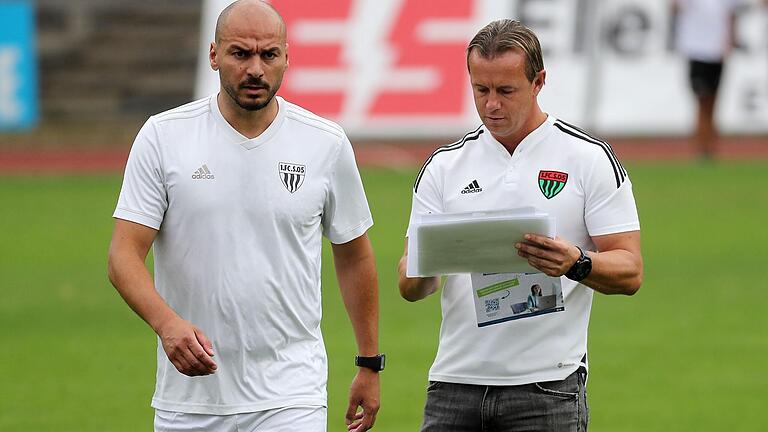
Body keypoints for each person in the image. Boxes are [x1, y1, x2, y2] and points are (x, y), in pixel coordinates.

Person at [107, 1, 382, 431]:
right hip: (189, 400)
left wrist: (369, 361)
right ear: (214, 55)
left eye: (269, 55)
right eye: (241, 54)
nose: (256, 68)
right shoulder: (163, 137)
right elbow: (123, 255)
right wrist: (167, 324)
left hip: (292, 394)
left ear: (287, 58)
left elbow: (354, 254)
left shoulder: (325, 143)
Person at [397, 19, 643, 431]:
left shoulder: (587, 158)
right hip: (454, 385)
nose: (492, 104)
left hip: (548, 387)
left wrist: (576, 262)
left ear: (538, 81)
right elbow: (409, 284)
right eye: (481, 90)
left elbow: (631, 269)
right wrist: (427, 266)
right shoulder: (444, 167)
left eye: (506, 91)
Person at [672, 0, 742, 160]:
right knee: (702, 101)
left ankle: (710, 147)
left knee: (713, 101)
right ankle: (701, 146)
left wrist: (731, 40)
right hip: (696, 50)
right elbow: (675, 8)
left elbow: (731, 15)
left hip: (717, 51)